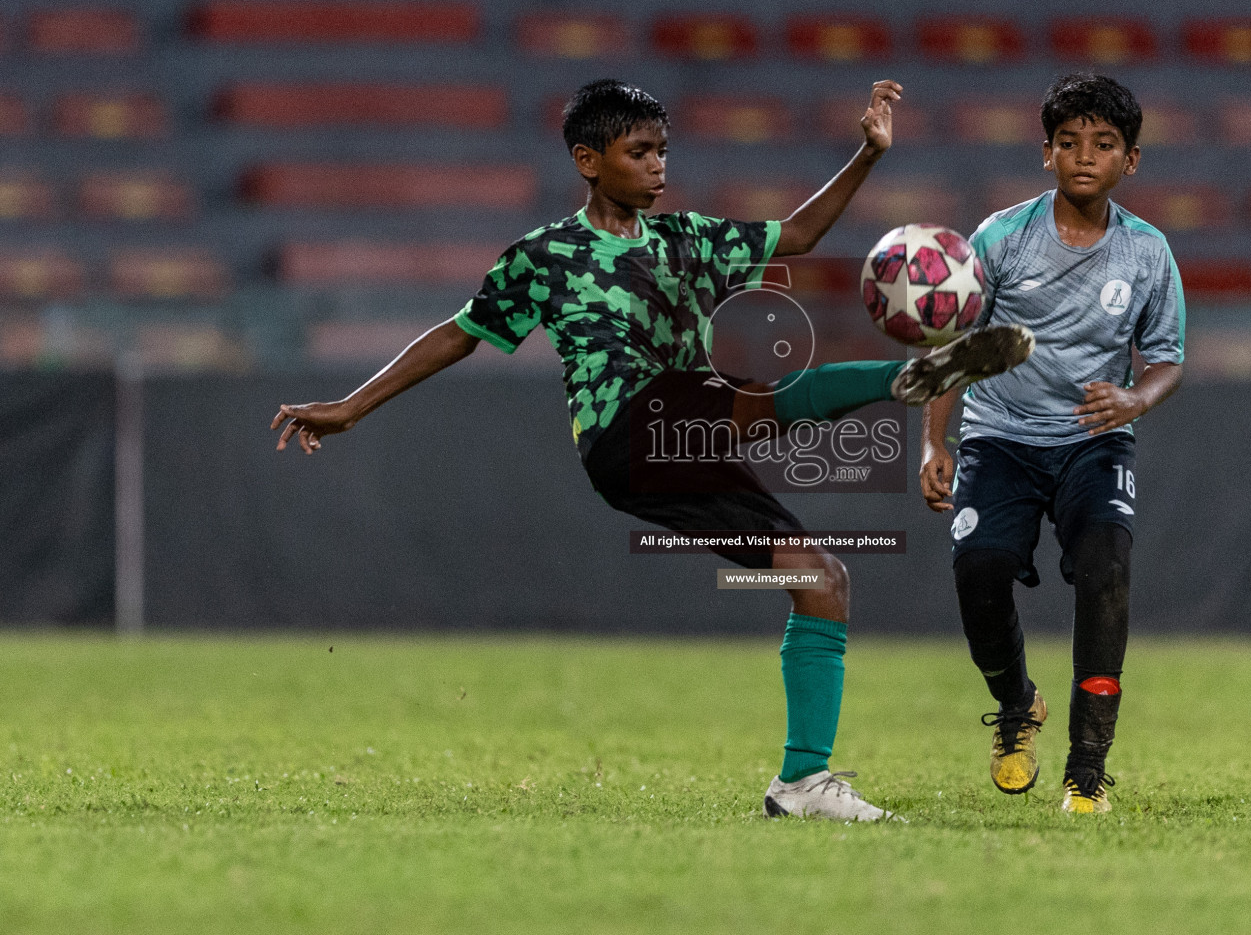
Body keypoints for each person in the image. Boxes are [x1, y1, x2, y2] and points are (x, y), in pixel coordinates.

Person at [271, 77, 1033, 822]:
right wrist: (351, 406)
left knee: (821, 577)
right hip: (627, 433)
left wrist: (866, 154)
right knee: (744, 397)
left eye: (664, 150)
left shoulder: (687, 238)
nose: (659, 165)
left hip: (689, 443)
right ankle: (905, 376)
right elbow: (458, 334)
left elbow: (797, 236)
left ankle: (802, 782)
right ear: (587, 160)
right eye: (640, 152)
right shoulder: (547, 254)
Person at [918, 73, 1186, 814]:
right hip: (999, 437)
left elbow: (1167, 359)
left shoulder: (1147, 253)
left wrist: (1135, 397)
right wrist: (932, 442)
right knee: (979, 565)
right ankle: (1016, 706)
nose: (1083, 156)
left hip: (1092, 442)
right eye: (1068, 142)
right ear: (1046, 154)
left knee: (1106, 572)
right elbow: (958, 345)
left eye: (1103, 144)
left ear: (1130, 160)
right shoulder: (1001, 237)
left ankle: (1087, 769)